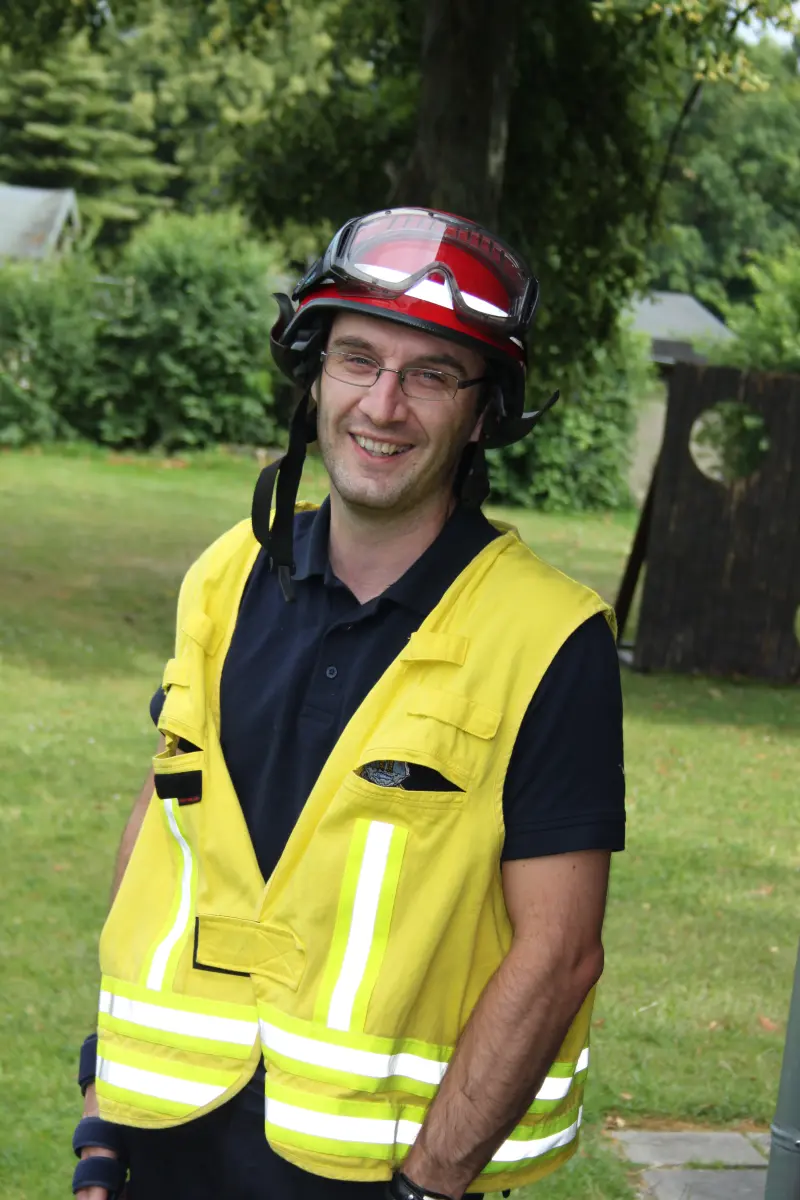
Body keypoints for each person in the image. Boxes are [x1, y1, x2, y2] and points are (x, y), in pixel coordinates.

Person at [71, 207, 625, 1200]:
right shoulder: (224, 575)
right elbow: (163, 827)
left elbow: (558, 954)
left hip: (378, 1173)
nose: (383, 403)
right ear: (312, 372)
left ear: (481, 410)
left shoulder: (550, 639)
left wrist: (428, 1185)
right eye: (357, 358)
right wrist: (100, 1124)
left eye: (430, 374)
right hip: (164, 1144)